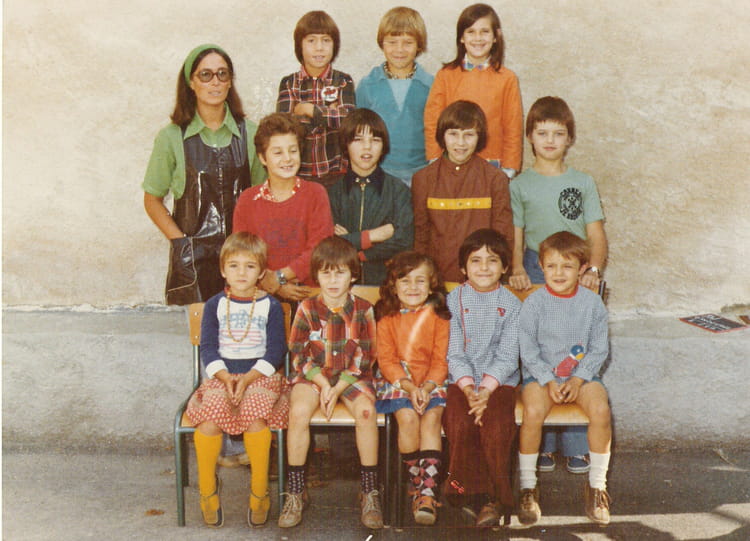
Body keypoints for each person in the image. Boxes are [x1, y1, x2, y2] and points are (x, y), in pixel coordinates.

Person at [509, 96, 609, 473]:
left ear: (570, 138)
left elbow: (595, 233)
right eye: (542, 133)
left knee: (576, 351)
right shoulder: (520, 184)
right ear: (530, 137)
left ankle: (576, 444)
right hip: (536, 268)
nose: (550, 140)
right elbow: (516, 232)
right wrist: (516, 267)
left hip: (575, 268)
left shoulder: (582, 182)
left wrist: (592, 269)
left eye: (558, 133)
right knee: (541, 350)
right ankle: (545, 443)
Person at [143, 43, 265, 306]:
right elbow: (152, 200)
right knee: (198, 331)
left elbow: (262, 197)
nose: (215, 82)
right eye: (205, 75)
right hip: (192, 265)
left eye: (222, 74)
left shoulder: (251, 134)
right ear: (191, 82)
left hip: (242, 263)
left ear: (230, 81)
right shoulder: (171, 137)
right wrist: (181, 244)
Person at [185, 232, 289, 528]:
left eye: (250, 266)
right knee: (209, 420)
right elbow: (208, 347)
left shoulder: (270, 306)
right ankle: (208, 491)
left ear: (262, 272)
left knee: (256, 418)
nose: (241, 273)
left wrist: (249, 377)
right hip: (222, 376)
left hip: (261, 377)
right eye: (234, 265)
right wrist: (225, 376)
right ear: (223, 270)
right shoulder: (215, 305)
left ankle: (259, 492)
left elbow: (276, 350)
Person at [279, 236, 383, 530]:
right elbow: (298, 353)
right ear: (316, 275)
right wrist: (324, 384)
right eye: (326, 273)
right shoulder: (306, 308)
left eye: (340, 273)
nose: (333, 280)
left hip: (352, 376)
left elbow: (366, 354)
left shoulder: (364, 309)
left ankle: (369, 491)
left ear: (353, 275)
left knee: (366, 412)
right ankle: (296, 491)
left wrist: (337, 387)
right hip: (314, 375)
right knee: (298, 412)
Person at [517, 231, 612, 526]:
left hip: (580, 377)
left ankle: (597, 487)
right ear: (541, 267)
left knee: (601, 410)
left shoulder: (592, 303)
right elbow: (527, 350)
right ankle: (528, 487)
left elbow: (599, 348)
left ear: (582, 269)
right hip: (541, 376)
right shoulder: (534, 303)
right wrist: (548, 380)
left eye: (567, 266)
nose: (558, 273)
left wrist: (578, 379)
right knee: (533, 411)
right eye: (551, 266)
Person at [442, 229, 520, 527]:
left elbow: (508, 355)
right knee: (460, 423)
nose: (484, 267)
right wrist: (468, 388)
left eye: (493, 260)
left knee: (496, 427)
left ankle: (495, 498)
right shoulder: (452, 300)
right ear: (463, 268)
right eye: (476, 260)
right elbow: (453, 352)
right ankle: (464, 492)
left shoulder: (512, 305)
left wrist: (485, 389)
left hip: (499, 383)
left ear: (505, 267)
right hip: (460, 381)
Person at [374, 251, 450, 525]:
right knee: (407, 418)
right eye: (405, 281)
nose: (413, 287)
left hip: (432, 379)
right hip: (398, 380)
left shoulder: (439, 317)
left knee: (432, 419)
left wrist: (426, 388)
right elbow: (386, 360)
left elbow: (441, 361)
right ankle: (418, 482)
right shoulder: (387, 317)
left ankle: (426, 495)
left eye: (420, 280)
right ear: (393, 287)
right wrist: (409, 387)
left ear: (431, 286)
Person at [233, 112, 334, 301]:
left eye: (293, 151)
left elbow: (320, 249)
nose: (287, 159)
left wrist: (280, 277)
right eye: (278, 153)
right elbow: (242, 252)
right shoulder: (247, 200)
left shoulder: (316, 194)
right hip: (260, 295)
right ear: (263, 158)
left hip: (309, 295)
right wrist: (271, 284)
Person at [412, 100, 514, 283]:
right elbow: (420, 237)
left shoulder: (496, 179)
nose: (460, 143)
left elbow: (503, 236)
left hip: (482, 282)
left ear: (479, 137)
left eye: (469, 135)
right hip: (437, 282)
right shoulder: (423, 179)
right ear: (442, 135)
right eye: (453, 134)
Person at [423, 3, 523, 180]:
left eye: (484, 32)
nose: (478, 38)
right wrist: (435, 160)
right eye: (471, 31)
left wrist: (509, 169)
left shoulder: (507, 79)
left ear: (496, 36)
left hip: (493, 166)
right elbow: (432, 122)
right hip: (452, 164)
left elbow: (513, 127)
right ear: (461, 37)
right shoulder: (445, 76)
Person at [327, 108, 414, 286]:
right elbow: (330, 245)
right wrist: (373, 236)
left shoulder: (398, 190)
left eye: (375, 140)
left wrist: (357, 250)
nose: (367, 147)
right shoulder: (332, 192)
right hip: (343, 286)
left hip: (387, 285)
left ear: (384, 146)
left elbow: (403, 242)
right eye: (358, 139)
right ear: (345, 144)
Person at [277, 10, 356, 188]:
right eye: (311, 40)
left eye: (326, 40)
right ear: (299, 46)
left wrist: (310, 111)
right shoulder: (288, 83)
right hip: (299, 175)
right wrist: (330, 116)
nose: (319, 47)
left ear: (335, 45)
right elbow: (285, 130)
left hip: (338, 174)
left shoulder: (343, 81)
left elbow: (349, 123)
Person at [356, 6, 433, 186]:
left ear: (419, 45)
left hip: (422, 173)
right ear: (382, 43)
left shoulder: (430, 85)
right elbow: (356, 135)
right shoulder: (368, 85)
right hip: (380, 174)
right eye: (392, 42)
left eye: (408, 43)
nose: (400, 49)